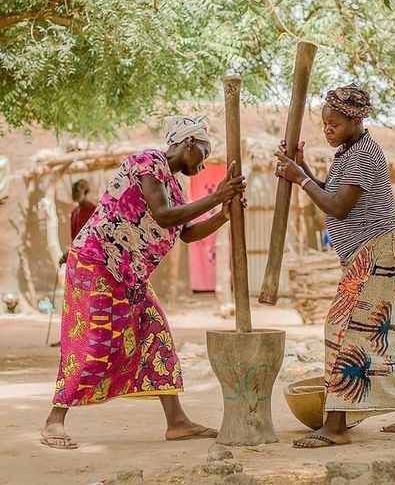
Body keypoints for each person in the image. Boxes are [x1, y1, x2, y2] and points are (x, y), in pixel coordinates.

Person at [41, 116, 246, 449]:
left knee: (155, 336)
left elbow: (188, 232)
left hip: (130, 276)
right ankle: (54, 421)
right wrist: (217, 195)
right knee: (94, 341)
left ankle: (177, 422)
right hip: (99, 263)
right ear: (188, 143)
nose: (204, 163)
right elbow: (163, 214)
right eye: (203, 153)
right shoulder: (148, 161)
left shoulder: (176, 189)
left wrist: (223, 213)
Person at [275, 84, 395, 448]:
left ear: (355, 120)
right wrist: (302, 169)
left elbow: (338, 207)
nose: (326, 129)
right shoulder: (349, 152)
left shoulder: (363, 154)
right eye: (323, 123)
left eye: (333, 123)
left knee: (342, 328)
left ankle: (336, 426)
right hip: (373, 256)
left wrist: (299, 178)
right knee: (383, 338)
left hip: (378, 254)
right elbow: (332, 194)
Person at [59, 179, 97, 266]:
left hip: (90, 252)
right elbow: (74, 237)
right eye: (73, 191)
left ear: (85, 192)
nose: (74, 194)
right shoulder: (74, 212)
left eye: (77, 191)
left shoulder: (93, 210)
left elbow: (94, 236)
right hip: (77, 251)